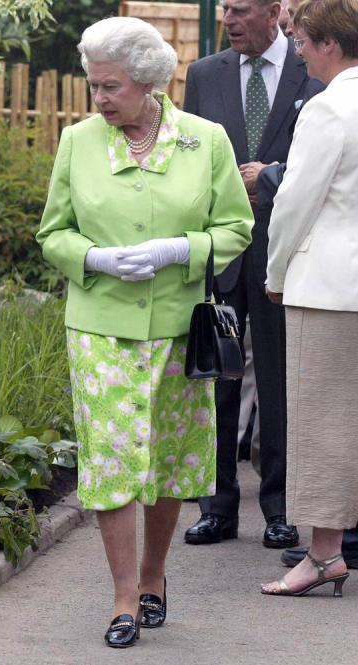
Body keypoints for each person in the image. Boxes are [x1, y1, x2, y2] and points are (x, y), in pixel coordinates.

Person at [36, 17, 252, 648]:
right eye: (93, 85)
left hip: (180, 327)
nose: (100, 98)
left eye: (112, 86)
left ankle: (155, 575)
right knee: (110, 456)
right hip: (99, 325)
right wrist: (96, 259)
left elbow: (235, 229)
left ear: (150, 82)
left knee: (163, 459)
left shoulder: (204, 140)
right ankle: (123, 597)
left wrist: (177, 250)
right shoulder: (77, 143)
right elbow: (53, 233)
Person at [180, 0, 322, 549]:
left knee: (282, 383)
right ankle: (216, 507)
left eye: (241, 11)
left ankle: (280, 509)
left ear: (274, 11)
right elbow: (191, 160)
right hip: (221, 254)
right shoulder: (203, 75)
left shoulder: (311, 74)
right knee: (216, 378)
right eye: (225, 12)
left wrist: (271, 180)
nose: (230, 21)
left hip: (286, 253)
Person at [261, 0, 358, 597]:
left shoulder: (328, 109)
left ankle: (324, 555)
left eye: (301, 41)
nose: (296, 51)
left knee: (323, 420)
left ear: (328, 43)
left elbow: (294, 203)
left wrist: (275, 274)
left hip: (329, 287)